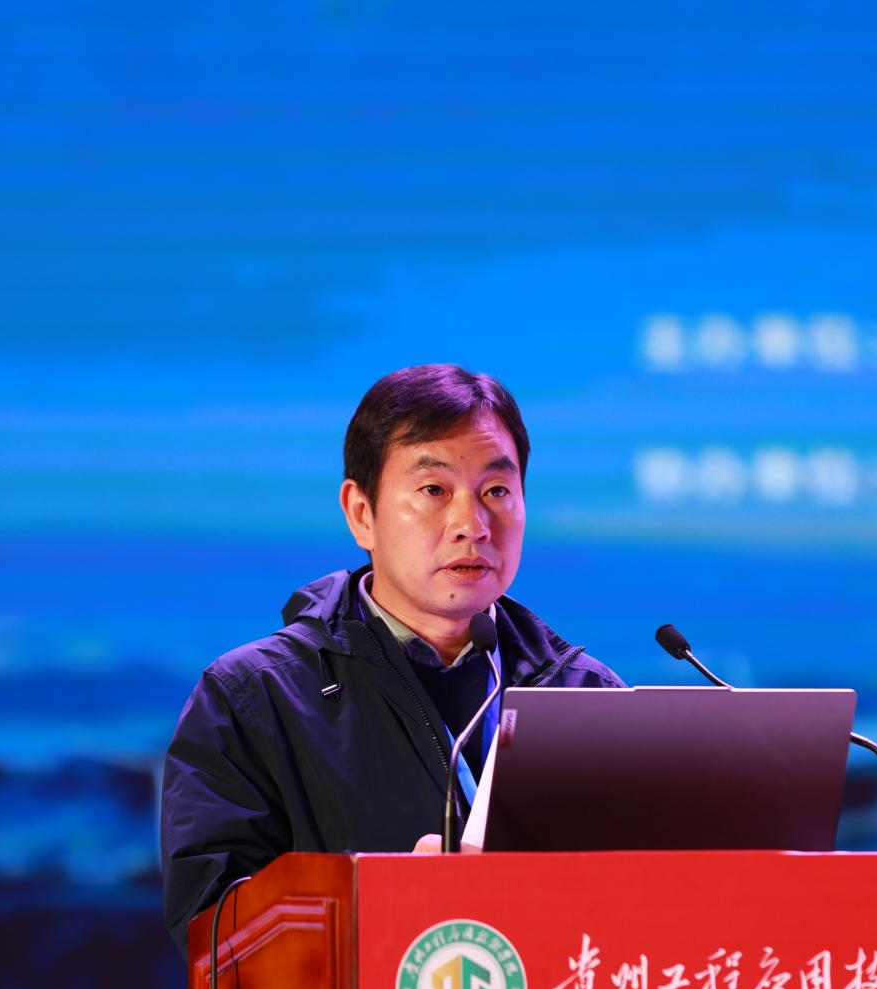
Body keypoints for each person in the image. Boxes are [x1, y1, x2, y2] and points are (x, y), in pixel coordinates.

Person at [161, 364, 625, 954]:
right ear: (362, 513)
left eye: (496, 491)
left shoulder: (587, 697)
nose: (472, 525)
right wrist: (391, 900)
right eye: (434, 491)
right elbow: (214, 933)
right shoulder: (253, 697)